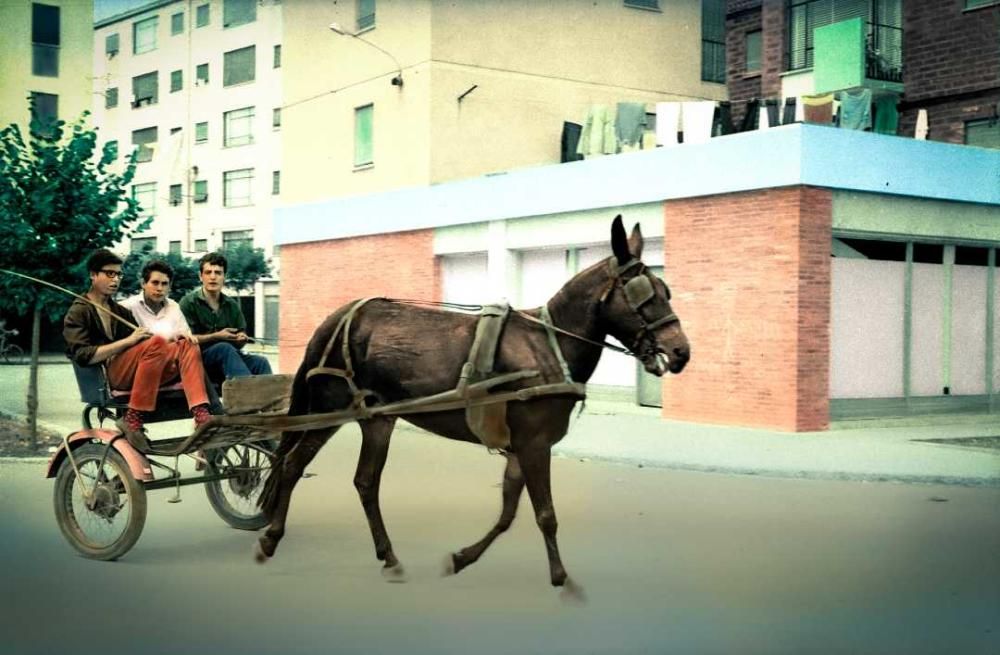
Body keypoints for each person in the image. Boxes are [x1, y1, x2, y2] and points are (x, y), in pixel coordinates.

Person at [63, 249, 213, 451]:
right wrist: (129, 341)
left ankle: (201, 415)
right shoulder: (79, 311)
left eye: (118, 274)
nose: (115, 279)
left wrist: (174, 339)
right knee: (158, 342)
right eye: (109, 273)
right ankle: (133, 418)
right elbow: (83, 356)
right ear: (93, 274)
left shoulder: (119, 311)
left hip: (137, 370)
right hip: (109, 376)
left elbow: (146, 347)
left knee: (187, 343)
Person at [179, 252, 272, 384]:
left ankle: (270, 402)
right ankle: (246, 396)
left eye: (218, 273)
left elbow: (240, 340)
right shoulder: (188, 303)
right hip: (198, 360)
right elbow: (185, 341)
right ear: (201, 276)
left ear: (224, 277)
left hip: (228, 359)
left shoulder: (231, 305)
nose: (213, 277)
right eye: (208, 272)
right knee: (223, 348)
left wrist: (240, 338)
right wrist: (216, 336)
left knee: (260, 362)